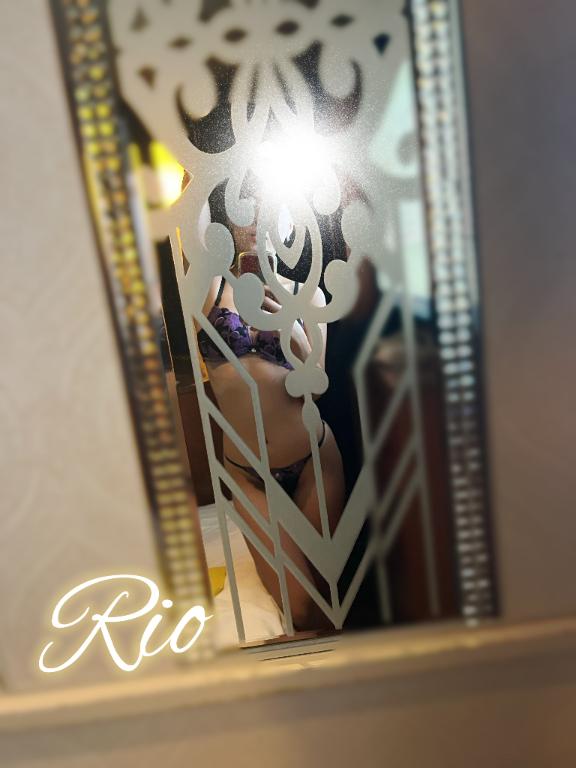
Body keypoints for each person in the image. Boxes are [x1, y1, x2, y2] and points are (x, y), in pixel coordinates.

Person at [195, 183, 345, 632]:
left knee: (325, 598)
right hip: (248, 474)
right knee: (297, 608)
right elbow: (190, 224)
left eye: (267, 209)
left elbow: (316, 387)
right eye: (245, 210)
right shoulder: (210, 289)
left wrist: (290, 331)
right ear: (228, 221)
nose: (256, 220)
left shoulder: (307, 294)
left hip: (315, 459)